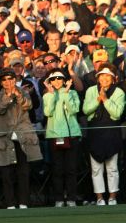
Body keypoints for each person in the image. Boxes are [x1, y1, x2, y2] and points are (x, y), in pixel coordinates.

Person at [0, 67, 42, 209]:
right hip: (6, 137)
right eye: (4, 80)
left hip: (23, 136)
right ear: (1, 83)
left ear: (15, 80)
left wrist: (19, 95)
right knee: (7, 172)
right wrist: (9, 96)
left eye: (10, 79)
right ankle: (10, 203)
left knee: (24, 171)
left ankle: (24, 202)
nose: (8, 82)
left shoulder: (23, 92)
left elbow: (28, 105)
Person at [82, 63, 125, 206]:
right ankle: (99, 198)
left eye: (108, 76)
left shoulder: (119, 92)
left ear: (113, 78)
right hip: (95, 131)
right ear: (98, 77)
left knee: (112, 168)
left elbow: (117, 114)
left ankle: (112, 197)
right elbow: (86, 110)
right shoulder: (90, 91)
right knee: (96, 168)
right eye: (102, 75)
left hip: (111, 131)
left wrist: (106, 100)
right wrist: (97, 100)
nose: (105, 78)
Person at [42, 69, 82, 207]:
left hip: (72, 135)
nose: (56, 81)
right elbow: (48, 112)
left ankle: (71, 198)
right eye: (53, 79)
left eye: (59, 78)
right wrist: (52, 95)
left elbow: (74, 110)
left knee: (71, 169)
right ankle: (59, 199)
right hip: (55, 135)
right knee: (57, 169)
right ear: (50, 82)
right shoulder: (47, 96)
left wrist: (65, 94)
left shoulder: (73, 93)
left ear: (64, 80)